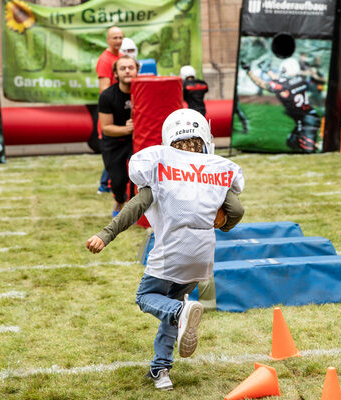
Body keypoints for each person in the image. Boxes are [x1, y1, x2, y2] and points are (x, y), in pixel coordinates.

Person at [86, 108, 245, 391]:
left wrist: (106, 234)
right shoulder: (214, 169)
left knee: (147, 297)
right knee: (175, 306)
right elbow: (236, 209)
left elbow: (134, 207)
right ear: (205, 139)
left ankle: (178, 313)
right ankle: (161, 370)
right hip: (201, 258)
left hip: (171, 252)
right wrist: (223, 224)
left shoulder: (160, 166)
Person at [240, 58, 321, 153]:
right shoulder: (300, 79)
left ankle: (321, 145)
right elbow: (280, 80)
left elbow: (261, 83)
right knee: (292, 142)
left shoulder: (285, 85)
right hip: (307, 117)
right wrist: (268, 71)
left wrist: (249, 71)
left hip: (308, 120)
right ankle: (314, 143)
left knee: (308, 149)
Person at [98, 55, 138, 216]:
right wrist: (127, 129)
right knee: (118, 180)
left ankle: (135, 210)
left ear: (137, 71)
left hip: (136, 141)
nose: (127, 71)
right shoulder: (107, 96)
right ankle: (119, 201)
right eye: (123, 68)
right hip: (114, 142)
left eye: (131, 67)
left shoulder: (144, 91)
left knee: (139, 175)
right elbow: (106, 128)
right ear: (115, 74)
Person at [92, 26, 124, 194]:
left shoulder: (121, 57)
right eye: (115, 38)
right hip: (111, 112)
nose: (118, 41)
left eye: (120, 37)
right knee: (112, 151)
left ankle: (106, 184)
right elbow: (105, 90)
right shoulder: (105, 60)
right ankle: (105, 185)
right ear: (108, 40)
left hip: (121, 110)